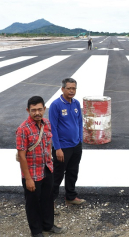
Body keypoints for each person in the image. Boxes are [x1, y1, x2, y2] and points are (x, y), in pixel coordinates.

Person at [16, 96, 66, 237]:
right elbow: (21, 156)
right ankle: (36, 231)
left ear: (44, 109)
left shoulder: (47, 123)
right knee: (32, 204)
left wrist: (49, 161)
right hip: (32, 173)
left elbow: (48, 143)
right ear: (28, 110)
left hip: (47, 168)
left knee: (47, 199)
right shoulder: (23, 129)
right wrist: (28, 179)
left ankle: (48, 225)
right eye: (33, 110)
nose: (37, 113)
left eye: (39, 109)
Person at [49, 78, 86, 206]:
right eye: (69, 88)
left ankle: (70, 196)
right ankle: (50, 200)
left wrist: (80, 140)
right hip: (62, 148)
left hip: (76, 145)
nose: (71, 91)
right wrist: (57, 148)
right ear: (63, 89)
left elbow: (80, 122)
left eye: (74, 88)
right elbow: (52, 127)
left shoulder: (75, 103)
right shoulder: (56, 105)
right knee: (57, 175)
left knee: (73, 172)